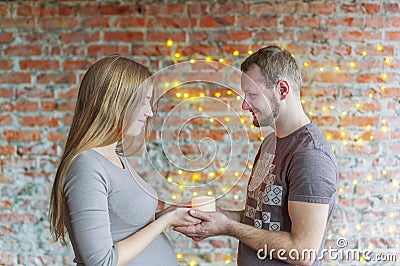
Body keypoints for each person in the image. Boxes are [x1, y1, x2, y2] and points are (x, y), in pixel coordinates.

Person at [174, 46, 338, 265]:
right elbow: (263, 219)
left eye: (252, 95)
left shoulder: (310, 156)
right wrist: (222, 217)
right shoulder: (271, 143)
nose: (244, 105)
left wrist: (228, 227)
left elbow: (302, 251)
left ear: (282, 90)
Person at [49, 55, 200, 266]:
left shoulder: (115, 157)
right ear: (117, 103)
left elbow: (122, 228)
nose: (150, 112)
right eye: (144, 102)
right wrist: (166, 221)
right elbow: (102, 262)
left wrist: (166, 215)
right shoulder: (86, 166)